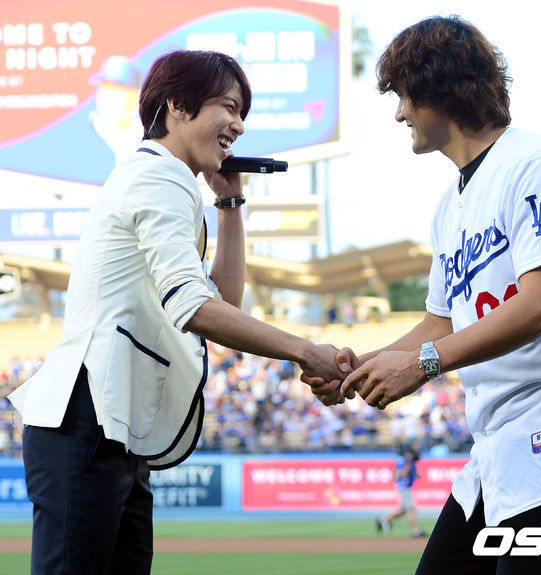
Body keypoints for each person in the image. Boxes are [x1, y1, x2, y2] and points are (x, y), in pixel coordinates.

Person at [8, 50, 348, 575]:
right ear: (177, 106)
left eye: (242, 113)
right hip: (88, 416)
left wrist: (229, 205)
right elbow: (195, 308)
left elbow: (221, 305)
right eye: (228, 107)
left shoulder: (165, 179)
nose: (239, 125)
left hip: (113, 425)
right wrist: (305, 351)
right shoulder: (159, 177)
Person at [331, 15, 541, 575]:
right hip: (495, 450)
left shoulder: (537, 166)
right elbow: (441, 322)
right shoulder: (450, 203)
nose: (399, 113)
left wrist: (421, 366)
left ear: (440, 89)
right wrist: (359, 368)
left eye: (403, 95)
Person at [376, 445, 426, 537]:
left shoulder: (403, 460)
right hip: (404, 487)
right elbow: (403, 474)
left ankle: (384, 519)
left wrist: (415, 475)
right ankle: (415, 531)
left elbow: (398, 474)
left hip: (403, 487)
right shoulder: (404, 461)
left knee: (404, 510)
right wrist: (408, 462)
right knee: (411, 509)